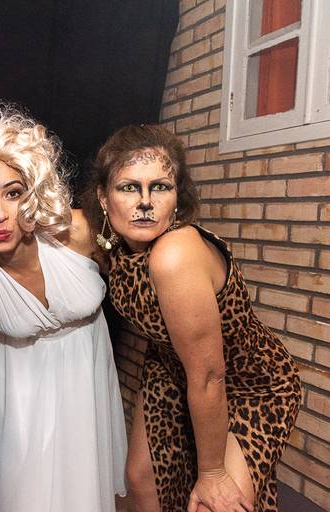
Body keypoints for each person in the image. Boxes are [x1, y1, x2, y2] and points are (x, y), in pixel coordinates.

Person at [81, 124, 302, 512]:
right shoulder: (112, 242)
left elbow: (210, 374)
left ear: (177, 198)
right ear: (103, 197)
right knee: (141, 480)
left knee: (215, 504)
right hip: (171, 369)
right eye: (129, 187)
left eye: (160, 187)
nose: (145, 202)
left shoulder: (175, 254)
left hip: (247, 383)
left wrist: (212, 472)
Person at [0, 104, 128, 512]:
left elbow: (128, 278)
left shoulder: (77, 232)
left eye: (13, 193)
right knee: (24, 488)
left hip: (85, 370)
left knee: (82, 484)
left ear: (32, 194)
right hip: (19, 385)